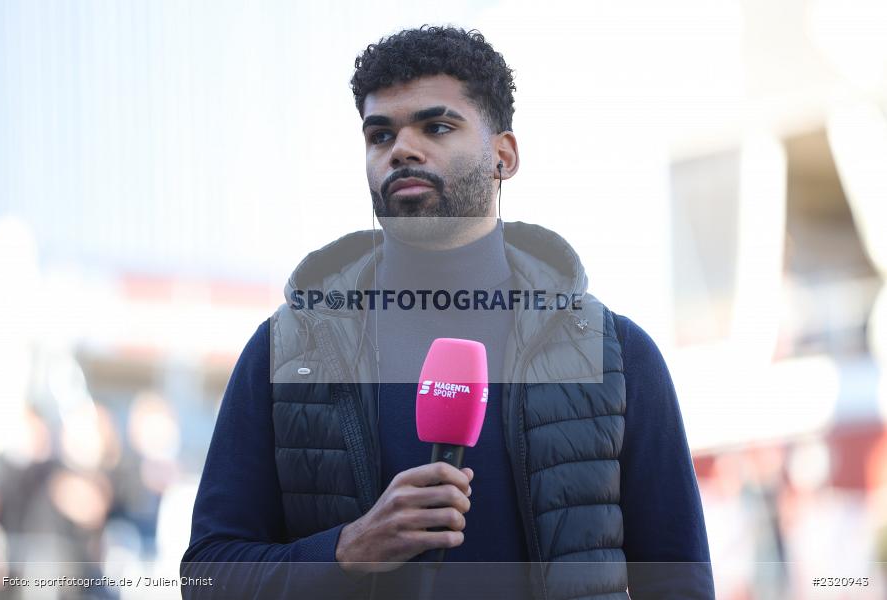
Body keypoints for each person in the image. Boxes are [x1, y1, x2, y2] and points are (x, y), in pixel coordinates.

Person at [181, 25, 714, 600]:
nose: (402, 149)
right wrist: (343, 551)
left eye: (436, 126)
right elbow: (206, 575)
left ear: (503, 156)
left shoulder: (615, 354)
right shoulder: (292, 350)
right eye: (380, 134)